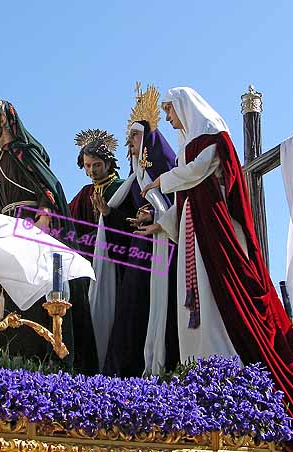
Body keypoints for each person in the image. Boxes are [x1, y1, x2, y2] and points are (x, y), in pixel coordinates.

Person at [138, 87, 293, 452]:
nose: (168, 119)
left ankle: (227, 378)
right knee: (192, 313)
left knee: (220, 308)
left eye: (170, 111)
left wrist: (160, 181)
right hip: (195, 241)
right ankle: (201, 379)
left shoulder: (214, 138)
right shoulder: (188, 150)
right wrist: (162, 221)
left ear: (184, 106)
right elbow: (187, 202)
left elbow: (198, 174)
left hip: (220, 244)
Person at [0, 100, 97, 373]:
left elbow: (48, 185)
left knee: (30, 289)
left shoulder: (21, 153)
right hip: (5, 228)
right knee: (2, 290)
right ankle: (8, 353)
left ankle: (39, 356)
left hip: (28, 228)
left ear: (3, 120)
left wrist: (44, 215)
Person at [103, 84, 179, 377]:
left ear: (148, 138)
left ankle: (165, 367)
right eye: (129, 137)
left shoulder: (167, 168)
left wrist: (154, 211)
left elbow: (178, 202)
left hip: (164, 253)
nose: (130, 141)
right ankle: (128, 372)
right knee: (132, 308)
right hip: (140, 253)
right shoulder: (133, 181)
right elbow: (123, 216)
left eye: (135, 135)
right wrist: (109, 212)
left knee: (159, 311)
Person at [68, 129, 136, 371]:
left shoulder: (121, 187)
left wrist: (109, 215)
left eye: (97, 164)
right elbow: (68, 221)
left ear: (108, 163)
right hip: (88, 264)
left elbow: (131, 223)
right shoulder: (85, 194)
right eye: (87, 165)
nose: (92, 170)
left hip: (115, 263)